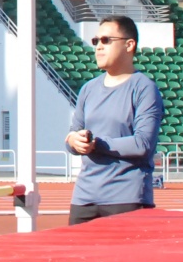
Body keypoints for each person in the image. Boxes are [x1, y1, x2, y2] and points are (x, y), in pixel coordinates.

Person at [65, 15, 165, 224]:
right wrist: (74, 141)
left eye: (106, 40)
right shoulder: (88, 89)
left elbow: (143, 144)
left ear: (129, 45)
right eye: (96, 41)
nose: (98, 47)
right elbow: (73, 136)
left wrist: (97, 144)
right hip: (84, 198)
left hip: (126, 197)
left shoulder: (144, 88)